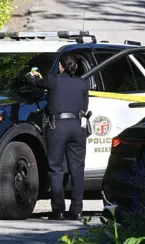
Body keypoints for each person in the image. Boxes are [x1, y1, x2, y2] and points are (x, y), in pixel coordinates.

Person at [25, 53, 89, 221]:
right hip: (77, 126)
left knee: (56, 169)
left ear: (61, 66)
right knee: (77, 170)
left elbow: (35, 82)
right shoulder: (83, 83)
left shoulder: (53, 80)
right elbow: (84, 106)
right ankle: (77, 210)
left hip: (58, 126)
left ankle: (59, 210)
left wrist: (30, 75)